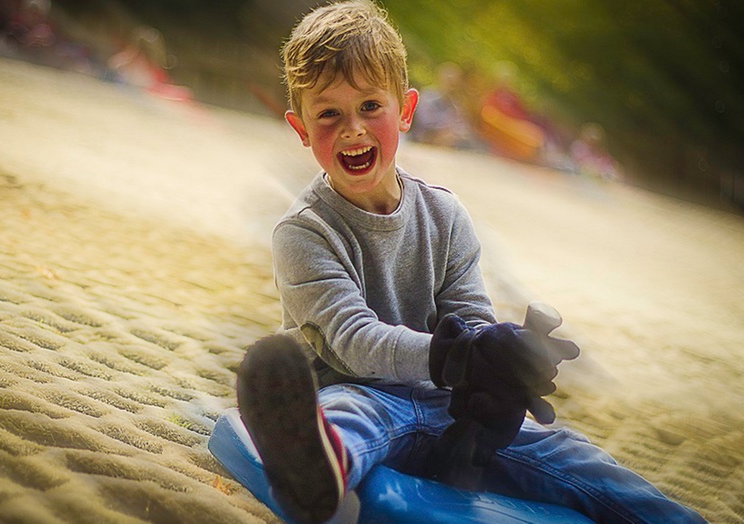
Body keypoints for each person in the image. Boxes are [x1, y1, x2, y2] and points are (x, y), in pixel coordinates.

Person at [234, 2, 706, 523]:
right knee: (345, 418)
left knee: (578, 456)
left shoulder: (445, 214)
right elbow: (353, 341)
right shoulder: (302, 232)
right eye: (328, 114)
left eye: (371, 106)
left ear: (407, 110)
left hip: (450, 407)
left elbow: (471, 318)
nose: (353, 129)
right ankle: (316, 473)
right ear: (300, 129)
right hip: (362, 397)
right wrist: (456, 357)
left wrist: (501, 369)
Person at [410, 62, 483, 150]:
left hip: (451, 141)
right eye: (449, 80)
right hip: (426, 137)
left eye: (454, 81)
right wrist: (443, 131)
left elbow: (463, 125)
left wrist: (455, 133)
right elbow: (424, 121)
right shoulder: (428, 96)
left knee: (477, 146)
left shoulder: (455, 103)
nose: (451, 84)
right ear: (440, 79)